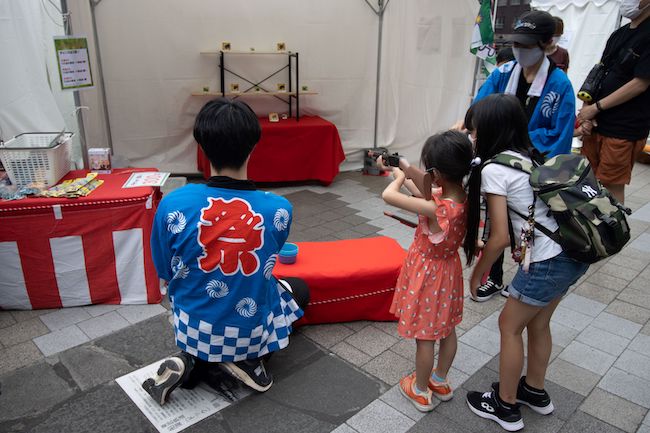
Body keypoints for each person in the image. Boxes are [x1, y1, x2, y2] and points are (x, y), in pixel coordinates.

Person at [141, 98, 309, 405]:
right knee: (298, 290)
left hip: (191, 324)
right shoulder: (278, 210)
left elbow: (164, 270)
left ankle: (191, 362)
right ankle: (246, 362)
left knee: (199, 297)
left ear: (202, 146)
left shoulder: (173, 203)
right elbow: (267, 263)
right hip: (245, 328)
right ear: (253, 145)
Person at [463, 94, 589, 432]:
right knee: (538, 324)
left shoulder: (494, 168)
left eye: (475, 131)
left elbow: (500, 238)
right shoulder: (527, 156)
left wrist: (477, 274)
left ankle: (505, 406)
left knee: (509, 326)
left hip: (547, 261)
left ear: (490, 130)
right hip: (571, 254)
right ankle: (534, 391)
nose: (473, 138)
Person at [471, 10, 576, 302]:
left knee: (526, 224)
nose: (519, 51)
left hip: (534, 168)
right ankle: (492, 277)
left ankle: (527, 278)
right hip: (498, 163)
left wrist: (535, 167)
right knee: (495, 222)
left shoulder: (560, 85)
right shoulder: (503, 74)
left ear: (548, 44)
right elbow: (480, 111)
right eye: (517, 44)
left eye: (527, 45)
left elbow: (561, 137)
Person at [378, 130, 473, 412]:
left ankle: (419, 391)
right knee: (447, 330)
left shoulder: (439, 208)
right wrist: (404, 167)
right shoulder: (462, 197)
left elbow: (388, 196)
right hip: (448, 272)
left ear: (438, 173)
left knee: (425, 336)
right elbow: (426, 190)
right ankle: (440, 381)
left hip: (428, 275)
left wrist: (397, 179)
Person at [578, 0, 650, 204]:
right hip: (596, 123)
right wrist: (586, 112)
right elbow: (598, 72)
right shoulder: (619, 34)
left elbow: (640, 83)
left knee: (610, 184)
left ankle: (612, 232)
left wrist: (596, 108)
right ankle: (589, 229)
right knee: (588, 179)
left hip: (624, 127)